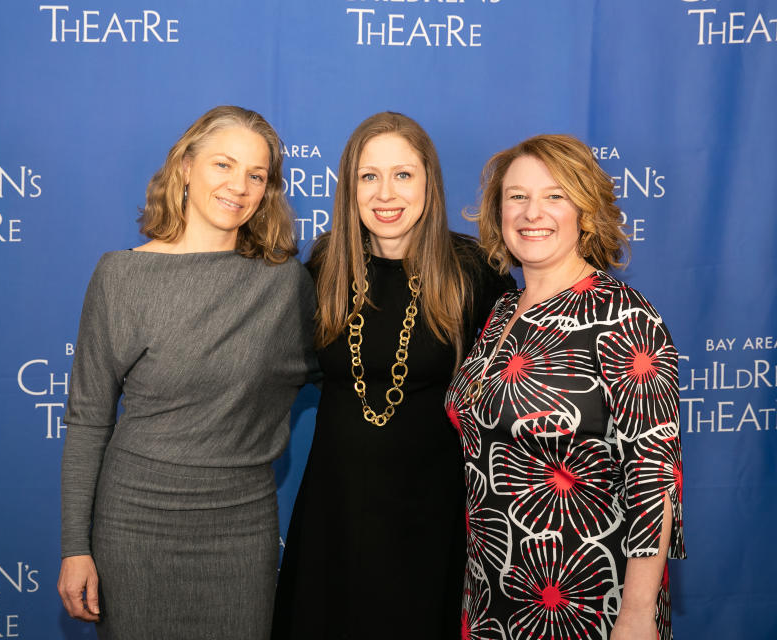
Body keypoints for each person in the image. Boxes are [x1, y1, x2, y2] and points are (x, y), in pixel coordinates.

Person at [57, 105, 318, 640]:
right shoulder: (120, 277)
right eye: (223, 165)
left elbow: (346, 370)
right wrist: (74, 548)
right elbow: (88, 420)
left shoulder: (283, 285)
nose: (238, 186)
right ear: (185, 168)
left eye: (256, 175)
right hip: (134, 524)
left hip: (242, 527)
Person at [271, 112, 514, 639]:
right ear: (350, 187)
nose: (386, 193)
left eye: (403, 174)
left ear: (429, 182)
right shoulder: (323, 266)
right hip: (334, 514)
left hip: (433, 518)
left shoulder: (474, 271)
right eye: (368, 176)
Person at [444, 134, 686, 640]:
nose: (533, 212)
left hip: (589, 603)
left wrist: (638, 614)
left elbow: (654, 480)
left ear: (586, 211)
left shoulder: (624, 317)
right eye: (517, 196)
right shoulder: (504, 311)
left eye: (555, 195)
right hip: (495, 594)